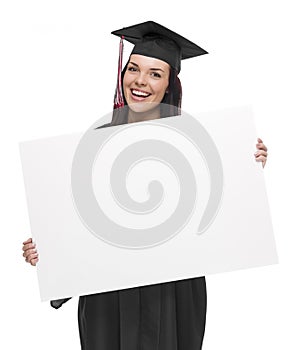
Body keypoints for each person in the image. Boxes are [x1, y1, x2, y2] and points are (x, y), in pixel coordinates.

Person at [22, 21, 268, 350]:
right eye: (133, 69)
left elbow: (223, 214)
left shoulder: (197, 144)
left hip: (173, 292)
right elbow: (74, 223)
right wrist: (47, 254)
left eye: (155, 73)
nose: (140, 81)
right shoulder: (93, 145)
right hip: (107, 294)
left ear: (169, 85)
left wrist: (248, 168)